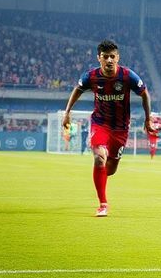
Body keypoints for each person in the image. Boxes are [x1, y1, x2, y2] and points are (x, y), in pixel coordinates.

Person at [62, 40, 152, 217]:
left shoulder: (128, 76)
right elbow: (77, 90)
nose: (109, 60)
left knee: (110, 169)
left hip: (121, 128)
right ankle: (103, 204)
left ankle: (101, 177)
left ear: (118, 57)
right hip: (100, 123)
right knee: (99, 159)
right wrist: (67, 112)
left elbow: (144, 94)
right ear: (99, 58)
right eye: (105, 57)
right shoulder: (91, 76)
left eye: (112, 56)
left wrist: (148, 118)